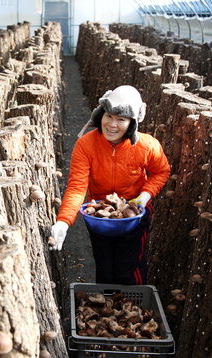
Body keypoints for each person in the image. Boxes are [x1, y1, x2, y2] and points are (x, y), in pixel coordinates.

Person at [49, 85, 170, 285]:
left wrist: (145, 196)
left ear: (133, 123)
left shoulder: (147, 145)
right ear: (100, 115)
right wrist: (64, 221)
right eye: (109, 116)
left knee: (129, 268)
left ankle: (132, 307)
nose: (112, 124)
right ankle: (105, 309)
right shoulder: (86, 145)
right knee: (104, 268)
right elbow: (77, 186)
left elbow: (161, 171)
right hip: (100, 217)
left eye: (121, 119)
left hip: (134, 215)